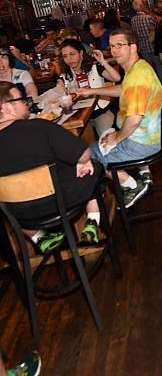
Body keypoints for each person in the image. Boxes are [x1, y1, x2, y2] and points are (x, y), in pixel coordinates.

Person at [0, 82, 104, 250]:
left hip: (19, 213)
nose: (26, 103)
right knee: (91, 166)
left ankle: (39, 238)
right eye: (21, 100)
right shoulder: (39, 127)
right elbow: (84, 153)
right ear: (6, 108)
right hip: (60, 201)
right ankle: (93, 220)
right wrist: (82, 162)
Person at [77, 29, 162, 209]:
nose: (114, 51)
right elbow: (122, 89)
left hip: (145, 140)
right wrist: (92, 91)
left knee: (89, 158)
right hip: (156, 131)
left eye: (120, 45)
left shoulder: (137, 77)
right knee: (102, 139)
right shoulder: (138, 66)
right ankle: (143, 174)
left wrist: (117, 137)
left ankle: (134, 186)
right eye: (112, 46)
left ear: (133, 47)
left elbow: (134, 120)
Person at [57, 39, 121, 135]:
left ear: (81, 53)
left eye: (72, 54)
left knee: (108, 138)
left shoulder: (95, 67)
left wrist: (102, 61)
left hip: (101, 112)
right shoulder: (65, 76)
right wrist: (60, 89)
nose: (69, 59)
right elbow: (60, 94)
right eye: (65, 56)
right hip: (79, 117)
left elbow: (117, 78)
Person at [130, 0, 162, 88]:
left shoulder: (133, 20)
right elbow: (157, 29)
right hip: (153, 46)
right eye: (142, 4)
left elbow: (134, 34)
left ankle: (154, 86)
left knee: (150, 68)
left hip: (142, 47)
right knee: (159, 66)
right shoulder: (148, 18)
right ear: (141, 6)